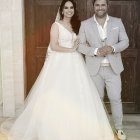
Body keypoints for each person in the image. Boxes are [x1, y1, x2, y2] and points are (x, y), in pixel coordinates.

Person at [3, 0, 115, 140]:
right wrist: (71, 49)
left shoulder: (76, 25)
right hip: (60, 62)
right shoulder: (56, 25)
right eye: (66, 8)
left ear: (74, 9)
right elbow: (54, 46)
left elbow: (81, 43)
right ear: (61, 10)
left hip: (76, 63)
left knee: (78, 93)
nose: (69, 10)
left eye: (71, 7)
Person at [78, 0, 129, 140]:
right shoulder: (85, 24)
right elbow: (80, 46)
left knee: (115, 98)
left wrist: (112, 48)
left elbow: (125, 41)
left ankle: (119, 129)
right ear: (93, 6)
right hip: (94, 69)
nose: (100, 7)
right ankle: (99, 129)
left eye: (103, 5)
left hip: (114, 69)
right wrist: (95, 50)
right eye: (97, 5)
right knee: (97, 100)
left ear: (107, 6)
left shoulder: (117, 22)